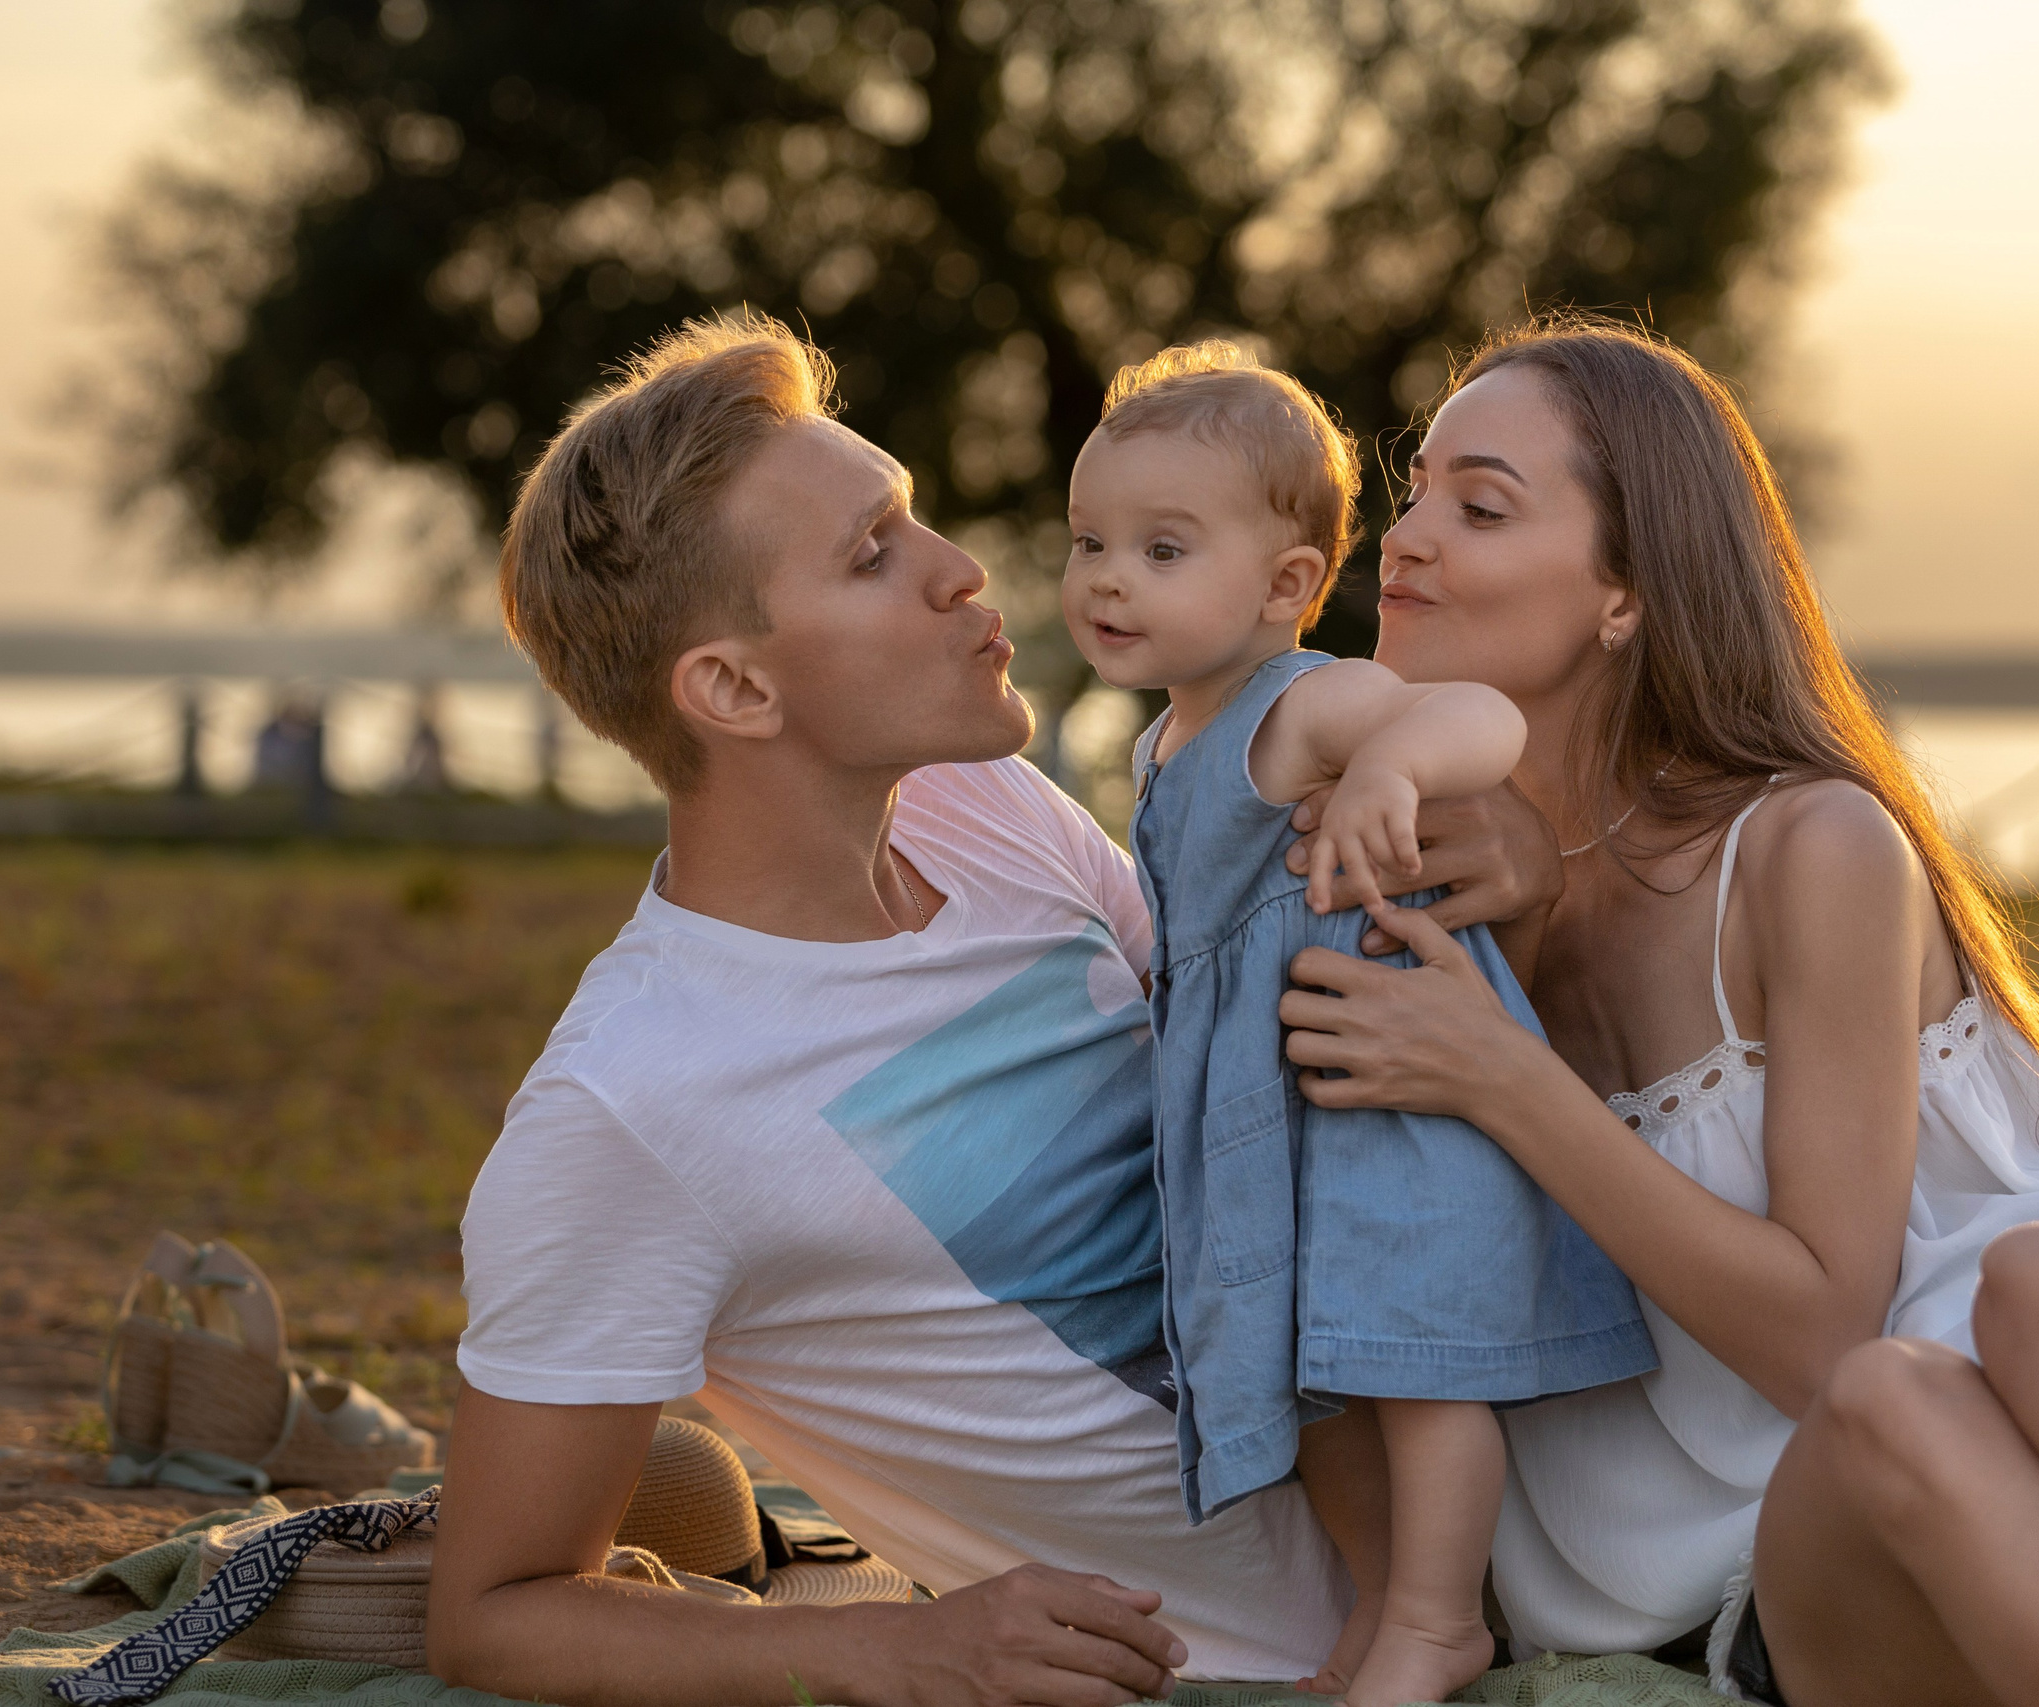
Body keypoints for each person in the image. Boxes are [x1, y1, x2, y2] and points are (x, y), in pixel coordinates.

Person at [1273, 315, 2039, 1706]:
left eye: (1481, 505)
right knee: (1890, 1406)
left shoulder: (1808, 846)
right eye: (1414, 500)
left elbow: (1830, 1319)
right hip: (1781, 1547)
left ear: (1626, 593)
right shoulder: (1405, 885)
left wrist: (1505, 1078)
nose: (1403, 542)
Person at [431, 312, 1350, 1707]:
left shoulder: (980, 805)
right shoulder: (630, 1104)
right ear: (734, 687)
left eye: (912, 517)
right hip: (1326, 1646)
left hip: (1496, 1451)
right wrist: (899, 1645)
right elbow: (495, 1613)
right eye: (875, 554)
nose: (963, 570)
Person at [1062, 342, 1652, 1706]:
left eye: (1161, 548)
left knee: (1419, 1367)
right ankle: (1383, 1608)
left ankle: (1440, 1616)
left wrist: (1390, 760)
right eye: (1091, 540)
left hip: (1385, 1099)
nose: (1106, 576)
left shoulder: (1303, 700)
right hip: (1272, 1112)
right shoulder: (1164, 746)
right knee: (1312, 1373)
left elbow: (1475, 719)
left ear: (1284, 584)